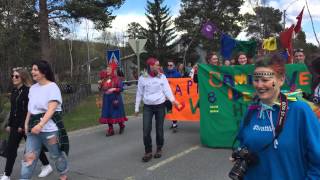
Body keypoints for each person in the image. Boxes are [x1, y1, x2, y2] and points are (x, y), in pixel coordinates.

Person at [231, 54, 320, 180]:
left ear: (281, 79)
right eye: (256, 80)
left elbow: (317, 162)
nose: (259, 85)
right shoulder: (252, 110)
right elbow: (243, 143)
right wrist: (240, 154)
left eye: (265, 80)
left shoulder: (299, 110)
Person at [1, 68, 52, 180]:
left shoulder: (29, 91)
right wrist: (9, 124)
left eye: (16, 76)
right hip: (15, 125)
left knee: (33, 147)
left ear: (22, 77)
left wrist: (22, 125)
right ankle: (6, 174)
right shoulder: (14, 92)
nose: (13, 78)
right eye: (13, 76)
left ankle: (47, 166)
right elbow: (13, 110)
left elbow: (28, 110)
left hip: (27, 125)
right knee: (11, 149)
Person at [21, 60, 69, 180]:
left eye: (35, 69)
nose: (32, 72)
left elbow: (51, 109)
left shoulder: (52, 87)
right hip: (33, 130)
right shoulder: (32, 88)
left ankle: (63, 176)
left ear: (44, 72)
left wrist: (41, 125)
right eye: (32, 69)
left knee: (56, 155)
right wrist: (26, 123)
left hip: (50, 130)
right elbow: (30, 109)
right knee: (29, 157)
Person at [135, 57, 180, 162]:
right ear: (151, 66)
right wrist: (136, 108)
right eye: (157, 64)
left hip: (160, 105)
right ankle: (148, 151)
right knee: (146, 130)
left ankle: (159, 148)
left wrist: (173, 101)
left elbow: (167, 90)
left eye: (159, 65)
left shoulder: (162, 77)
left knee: (159, 130)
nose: (159, 66)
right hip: (147, 107)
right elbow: (139, 93)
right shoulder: (142, 78)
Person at [99, 65, 127, 136]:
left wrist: (114, 89)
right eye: (107, 69)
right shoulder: (105, 79)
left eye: (109, 69)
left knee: (117, 113)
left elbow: (121, 89)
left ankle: (121, 126)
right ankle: (111, 130)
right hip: (107, 99)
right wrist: (100, 86)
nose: (107, 70)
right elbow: (102, 88)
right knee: (108, 114)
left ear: (113, 70)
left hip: (115, 99)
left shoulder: (117, 79)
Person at [164, 61, 181, 132]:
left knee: (174, 109)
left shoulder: (177, 74)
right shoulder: (164, 75)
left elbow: (181, 83)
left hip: (175, 95)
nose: (169, 66)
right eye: (168, 65)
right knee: (169, 109)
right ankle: (174, 122)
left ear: (173, 66)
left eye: (171, 65)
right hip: (167, 96)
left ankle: (174, 124)